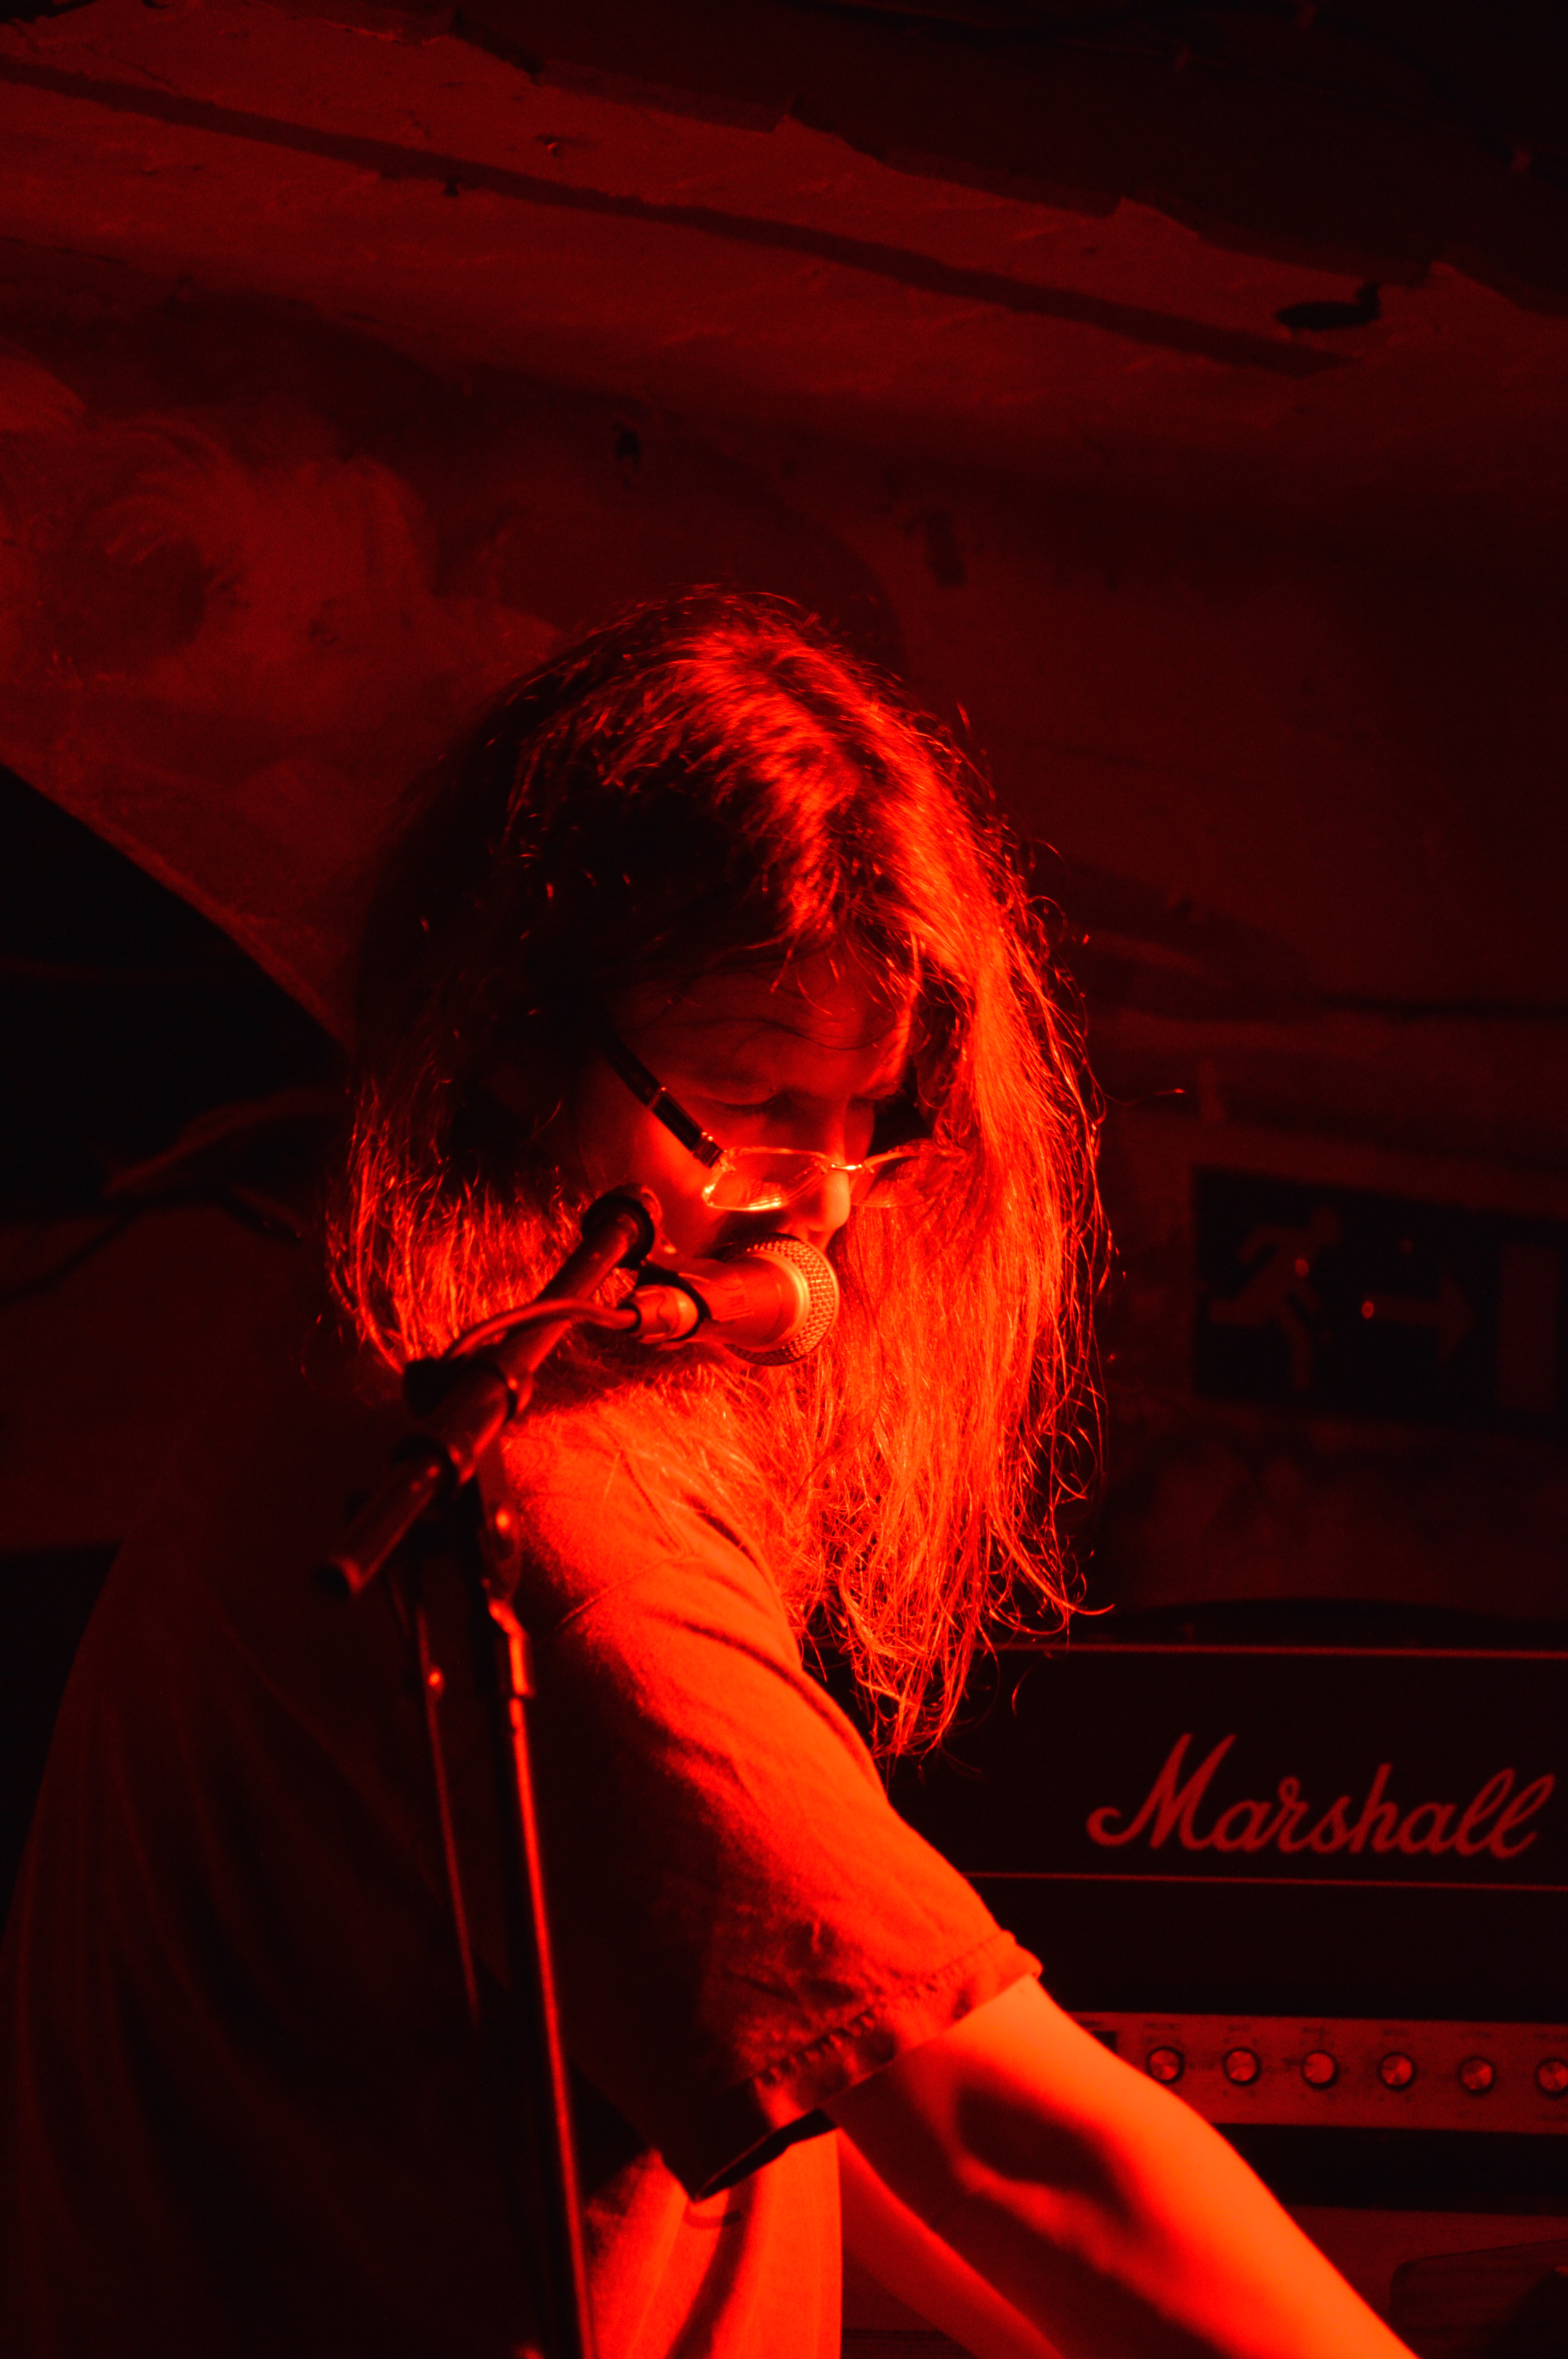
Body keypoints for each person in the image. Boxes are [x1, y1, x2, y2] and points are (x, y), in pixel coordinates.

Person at [0, 594, 1410, 2358]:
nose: (819, 1201)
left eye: (872, 1115)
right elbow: (1027, 2154)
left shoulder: (349, 1358)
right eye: (748, 1102)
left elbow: (796, 2080)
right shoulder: (541, 1523)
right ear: (517, 1040)